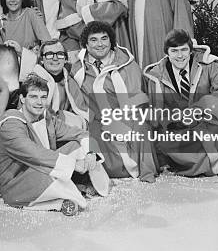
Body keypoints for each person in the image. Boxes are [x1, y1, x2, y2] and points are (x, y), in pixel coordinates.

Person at [142, 29, 218, 178]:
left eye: (184, 49)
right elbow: (157, 110)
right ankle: (202, 164)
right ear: (167, 52)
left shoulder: (209, 64)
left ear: (190, 50)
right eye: (174, 51)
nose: (179, 55)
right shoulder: (156, 75)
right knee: (161, 138)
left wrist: (197, 110)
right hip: (179, 127)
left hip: (208, 121)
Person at [0, 75, 109, 216]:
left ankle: (81, 191)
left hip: (46, 167)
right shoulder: (11, 123)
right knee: (49, 175)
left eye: (43, 97)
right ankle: (63, 199)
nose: (39, 102)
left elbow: (79, 133)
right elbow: (34, 153)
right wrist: (73, 164)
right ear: (22, 99)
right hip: (18, 183)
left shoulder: (46, 119)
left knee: (76, 145)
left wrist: (90, 153)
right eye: (33, 97)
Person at [66, 21, 158, 182]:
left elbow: (136, 97)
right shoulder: (78, 70)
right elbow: (80, 103)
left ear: (111, 41)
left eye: (104, 38)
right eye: (94, 40)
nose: (100, 44)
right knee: (91, 135)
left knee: (142, 126)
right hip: (97, 118)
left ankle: (146, 172)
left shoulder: (127, 65)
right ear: (86, 45)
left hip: (128, 114)